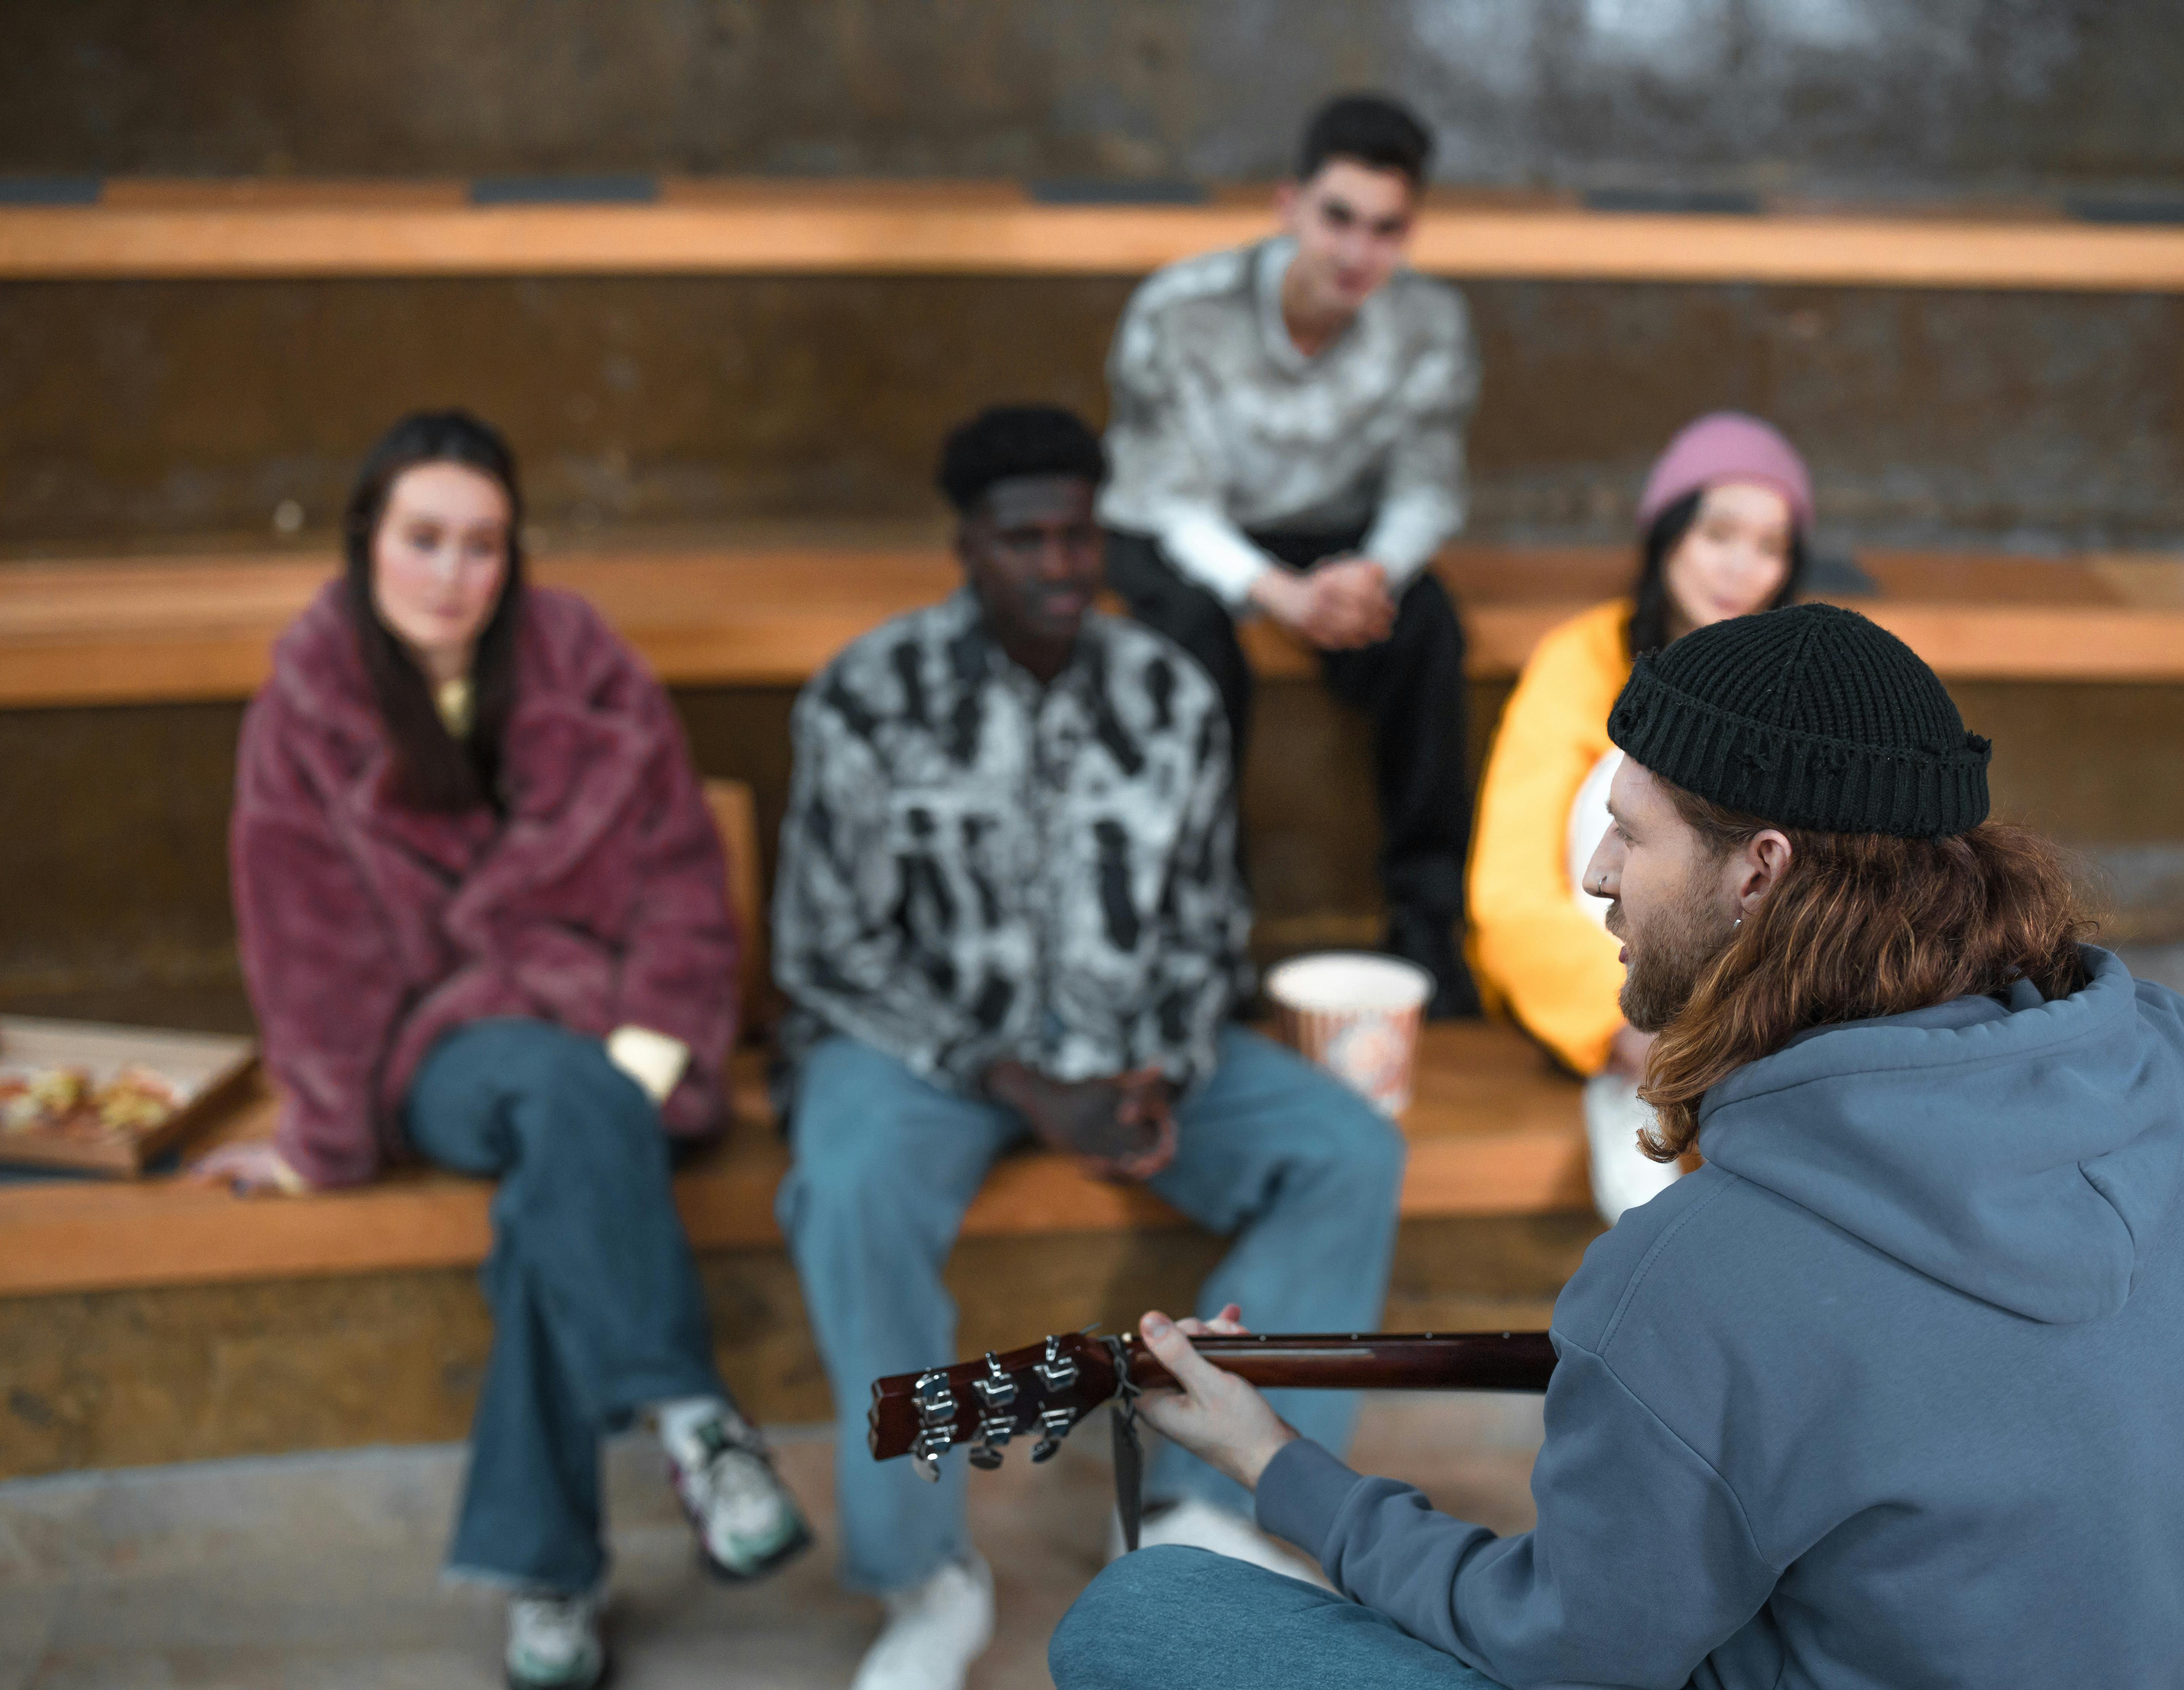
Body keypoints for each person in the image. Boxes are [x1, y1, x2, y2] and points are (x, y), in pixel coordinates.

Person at [1050, 602, 2184, 1689]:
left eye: (1631, 835)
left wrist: (1277, 1468)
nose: (1594, 874)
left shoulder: (1695, 1276)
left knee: (1148, 1613)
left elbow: (1570, 1653)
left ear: (1758, 870)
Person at [772, 405, 1405, 1690]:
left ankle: (1202, 1511)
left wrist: (1161, 1070)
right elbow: (828, 949)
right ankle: (925, 1579)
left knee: (1344, 1146)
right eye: (1025, 540)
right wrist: (1020, 1085)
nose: (1061, 566)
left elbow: (1207, 919)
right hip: (925, 1058)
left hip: (1128, 1052)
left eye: (1078, 535)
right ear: (968, 543)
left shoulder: (1167, 690)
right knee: (848, 1185)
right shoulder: (869, 694)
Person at [196, 410, 807, 1690]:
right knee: (546, 1085)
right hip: (446, 1053)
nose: (453, 575)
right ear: (370, 540)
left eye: (483, 545)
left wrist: (646, 1065)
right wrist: (322, 1140)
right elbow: (305, 949)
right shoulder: (309, 700)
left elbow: (682, 889)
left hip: (612, 1047)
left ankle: (549, 1581)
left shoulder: (586, 664)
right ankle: (695, 1413)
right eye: (424, 539)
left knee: (557, 1197)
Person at [1099, 92, 1483, 1011]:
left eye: (1387, 229)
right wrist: (1277, 593)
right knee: (1191, 643)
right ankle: (1203, 930)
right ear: (1289, 205)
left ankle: (1427, 922)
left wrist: (1372, 574)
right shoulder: (1182, 311)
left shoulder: (1431, 324)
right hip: (1176, 521)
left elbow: (1427, 491)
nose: (1358, 252)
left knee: (1430, 631)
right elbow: (1176, 505)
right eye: (1338, 218)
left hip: (1335, 530)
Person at [1467, 412, 1811, 1222]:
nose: (1741, 567)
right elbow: (1511, 891)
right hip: (1627, 984)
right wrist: (1625, 1025)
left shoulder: (1804, 680)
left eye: (1770, 547)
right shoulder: (1581, 661)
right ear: (1667, 533)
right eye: (1719, 533)